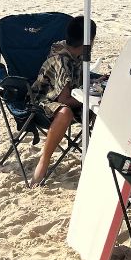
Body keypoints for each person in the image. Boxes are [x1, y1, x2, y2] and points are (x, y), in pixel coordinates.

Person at [30, 15, 97, 186]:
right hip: (44, 101)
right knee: (66, 112)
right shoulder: (62, 60)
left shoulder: (78, 54)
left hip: (73, 97)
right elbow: (64, 100)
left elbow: (80, 80)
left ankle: (99, 157)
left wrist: (97, 83)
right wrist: (89, 99)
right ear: (89, 41)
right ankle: (44, 161)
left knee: (104, 107)